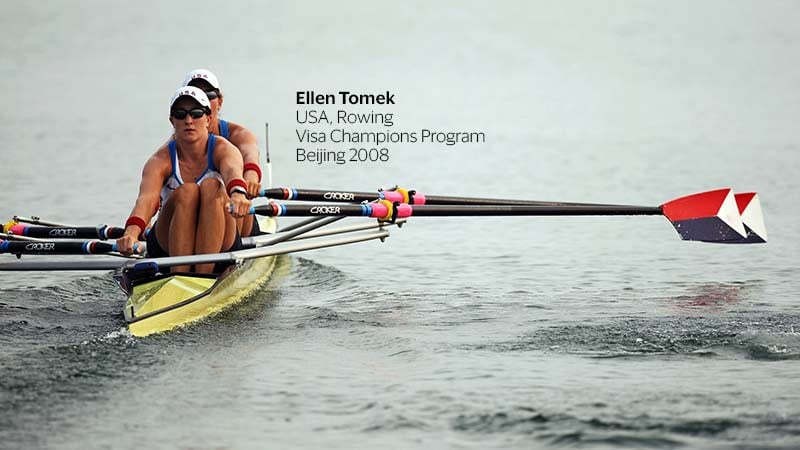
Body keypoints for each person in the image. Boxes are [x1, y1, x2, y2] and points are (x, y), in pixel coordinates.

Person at [116, 86, 251, 273]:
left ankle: (197, 279)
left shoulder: (224, 149)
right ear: (172, 121)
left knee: (212, 187)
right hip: (168, 246)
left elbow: (233, 173)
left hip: (221, 243)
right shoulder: (159, 160)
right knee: (187, 192)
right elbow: (146, 200)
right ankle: (181, 277)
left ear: (208, 119)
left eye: (196, 113)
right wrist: (131, 233)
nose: (188, 120)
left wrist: (238, 194)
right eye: (180, 114)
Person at [182, 69, 263, 237]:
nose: (202, 99)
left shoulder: (239, 135)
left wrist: (251, 177)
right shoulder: (170, 149)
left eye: (208, 94)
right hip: (190, 222)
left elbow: (250, 154)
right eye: (196, 95)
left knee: (215, 187)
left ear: (219, 102)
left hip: (234, 214)